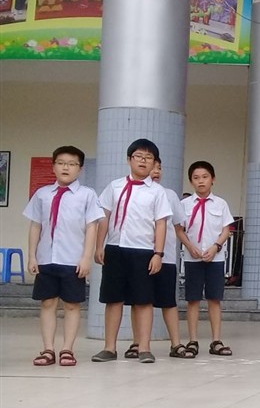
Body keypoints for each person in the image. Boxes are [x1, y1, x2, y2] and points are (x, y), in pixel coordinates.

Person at [92, 138, 173, 363]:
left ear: (154, 163)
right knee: (113, 299)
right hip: (115, 248)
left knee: (143, 300)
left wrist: (158, 254)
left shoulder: (157, 192)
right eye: (139, 156)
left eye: (149, 158)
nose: (143, 161)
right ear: (129, 159)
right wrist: (99, 246)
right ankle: (109, 348)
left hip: (143, 251)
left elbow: (161, 223)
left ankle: (144, 348)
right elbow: (104, 217)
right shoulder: (115, 186)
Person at [23, 145, 103, 367]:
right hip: (46, 257)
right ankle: (48, 349)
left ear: (80, 168)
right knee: (48, 303)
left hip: (73, 259)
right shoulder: (42, 194)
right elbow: (36, 226)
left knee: (72, 305)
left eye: (71, 164)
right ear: (53, 166)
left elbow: (92, 227)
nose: (66, 167)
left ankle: (67, 349)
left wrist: (86, 257)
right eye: (61, 163)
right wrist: (32, 256)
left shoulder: (87, 195)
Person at [180, 160, 236, 357]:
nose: (201, 181)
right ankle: (193, 340)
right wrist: (190, 247)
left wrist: (215, 247)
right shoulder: (184, 205)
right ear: (191, 181)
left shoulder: (221, 204)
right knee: (193, 299)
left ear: (213, 179)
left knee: (214, 299)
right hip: (192, 258)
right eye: (196, 178)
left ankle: (216, 341)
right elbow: (179, 229)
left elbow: (226, 229)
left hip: (215, 258)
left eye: (205, 177)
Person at [140, 157, 192, 360]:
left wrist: (191, 247)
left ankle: (176, 344)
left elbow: (179, 227)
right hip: (141, 255)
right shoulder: (136, 193)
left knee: (168, 302)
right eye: (153, 167)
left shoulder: (169, 195)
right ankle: (138, 344)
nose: (156, 171)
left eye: (159, 168)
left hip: (166, 257)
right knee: (140, 301)